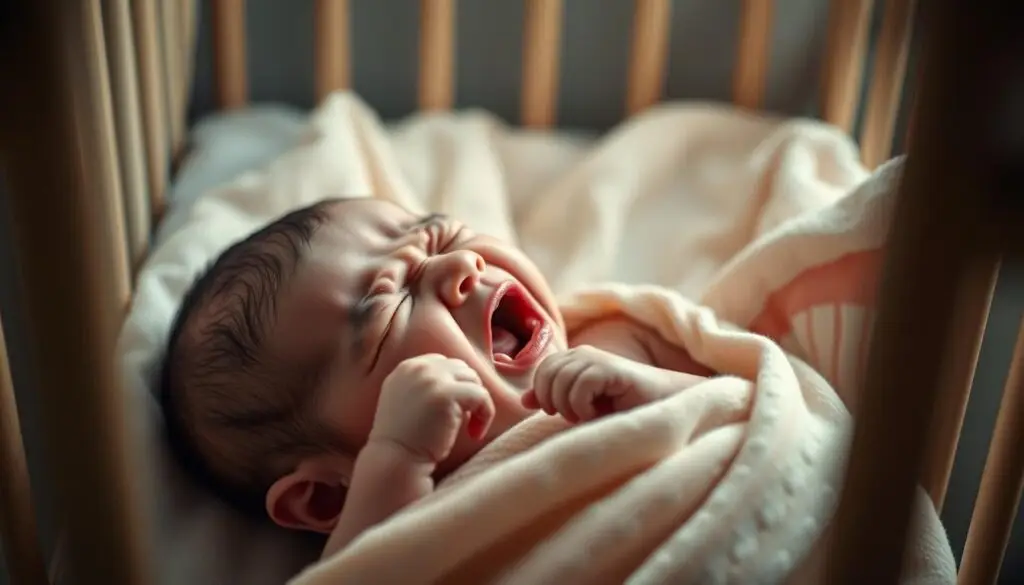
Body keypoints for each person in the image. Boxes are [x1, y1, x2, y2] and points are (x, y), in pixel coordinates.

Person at [158, 196, 711, 558]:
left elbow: (758, 403)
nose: (459, 266)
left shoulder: (622, 339)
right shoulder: (414, 520)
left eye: (437, 235)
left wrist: (660, 394)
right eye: (388, 309)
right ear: (328, 497)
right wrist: (396, 461)